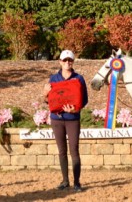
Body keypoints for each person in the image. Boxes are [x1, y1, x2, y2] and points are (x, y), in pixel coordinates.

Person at [42, 50, 88, 192]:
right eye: (65, 60)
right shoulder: (53, 78)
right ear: (60, 62)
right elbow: (48, 101)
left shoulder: (79, 79)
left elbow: (84, 100)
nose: (67, 62)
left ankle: (77, 182)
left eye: (70, 60)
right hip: (57, 119)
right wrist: (44, 93)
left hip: (72, 119)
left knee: (74, 150)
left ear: (73, 62)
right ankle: (65, 181)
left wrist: (75, 110)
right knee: (62, 151)